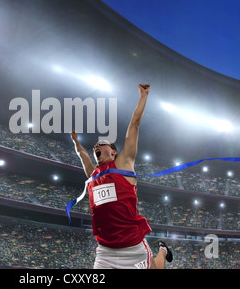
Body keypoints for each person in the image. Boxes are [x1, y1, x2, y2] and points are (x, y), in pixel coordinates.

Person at [70, 83, 173, 269]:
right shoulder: (93, 175)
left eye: (102, 144)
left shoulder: (123, 164)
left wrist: (143, 96)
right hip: (105, 251)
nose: (96, 147)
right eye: (95, 146)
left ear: (114, 151)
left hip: (132, 247)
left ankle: (163, 251)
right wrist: (76, 141)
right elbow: (82, 154)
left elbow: (134, 124)